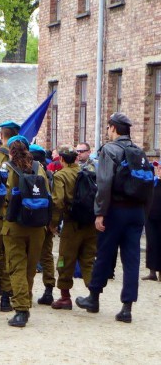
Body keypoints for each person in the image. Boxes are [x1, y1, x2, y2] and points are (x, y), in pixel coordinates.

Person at [76, 113, 154, 323]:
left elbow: (104, 184)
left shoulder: (109, 150)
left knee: (104, 254)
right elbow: (149, 186)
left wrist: (100, 212)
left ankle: (93, 298)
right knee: (132, 259)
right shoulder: (139, 152)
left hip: (115, 210)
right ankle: (127, 307)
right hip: (136, 212)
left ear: (113, 128)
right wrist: (143, 214)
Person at [2, 135, 50, 327]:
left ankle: (21, 310)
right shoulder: (40, 168)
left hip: (14, 226)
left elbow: (4, 196)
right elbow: (49, 194)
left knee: (16, 268)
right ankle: (26, 299)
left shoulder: (8, 169)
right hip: (38, 226)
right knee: (30, 268)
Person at [46, 145, 96, 310]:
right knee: (88, 261)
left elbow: (58, 201)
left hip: (71, 223)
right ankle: (93, 297)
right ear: (75, 158)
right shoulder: (87, 173)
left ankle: (65, 297)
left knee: (64, 260)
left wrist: (53, 223)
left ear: (61, 159)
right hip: (90, 223)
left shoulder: (61, 176)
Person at [0, 120, 20, 312]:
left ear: (2, 136)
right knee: (10, 257)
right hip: (17, 215)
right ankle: (8, 296)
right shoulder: (28, 159)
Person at [30, 143, 57, 307]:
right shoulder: (50, 174)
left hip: (31, 219)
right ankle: (48, 289)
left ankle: (25, 291)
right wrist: (52, 221)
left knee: (28, 256)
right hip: (46, 220)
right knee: (46, 256)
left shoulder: (28, 172)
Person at [143, 160, 161, 281]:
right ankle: (152, 271)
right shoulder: (153, 181)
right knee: (151, 244)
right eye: (157, 167)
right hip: (150, 217)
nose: (158, 169)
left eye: (160, 167)